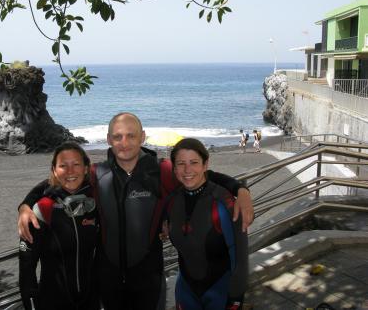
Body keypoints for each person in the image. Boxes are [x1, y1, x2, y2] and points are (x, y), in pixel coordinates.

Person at [18, 112, 254, 310]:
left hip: (148, 277)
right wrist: (26, 205)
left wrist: (240, 189)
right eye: (118, 136)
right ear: (108, 139)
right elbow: (58, 181)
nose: (125, 142)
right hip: (107, 277)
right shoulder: (97, 174)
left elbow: (200, 175)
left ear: (142, 137)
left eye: (131, 135)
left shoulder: (162, 170)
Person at [168, 138, 248, 310]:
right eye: (181, 163)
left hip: (220, 292)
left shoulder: (223, 202)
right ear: (174, 169)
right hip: (186, 290)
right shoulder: (173, 201)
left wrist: (235, 298)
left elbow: (240, 256)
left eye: (194, 162)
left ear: (205, 165)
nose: (187, 170)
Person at [19, 142, 100, 310]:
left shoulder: (96, 200)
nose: (70, 171)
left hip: (91, 300)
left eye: (76, 164)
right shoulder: (42, 209)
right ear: (55, 170)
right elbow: (27, 268)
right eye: (63, 166)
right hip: (53, 302)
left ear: (86, 168)